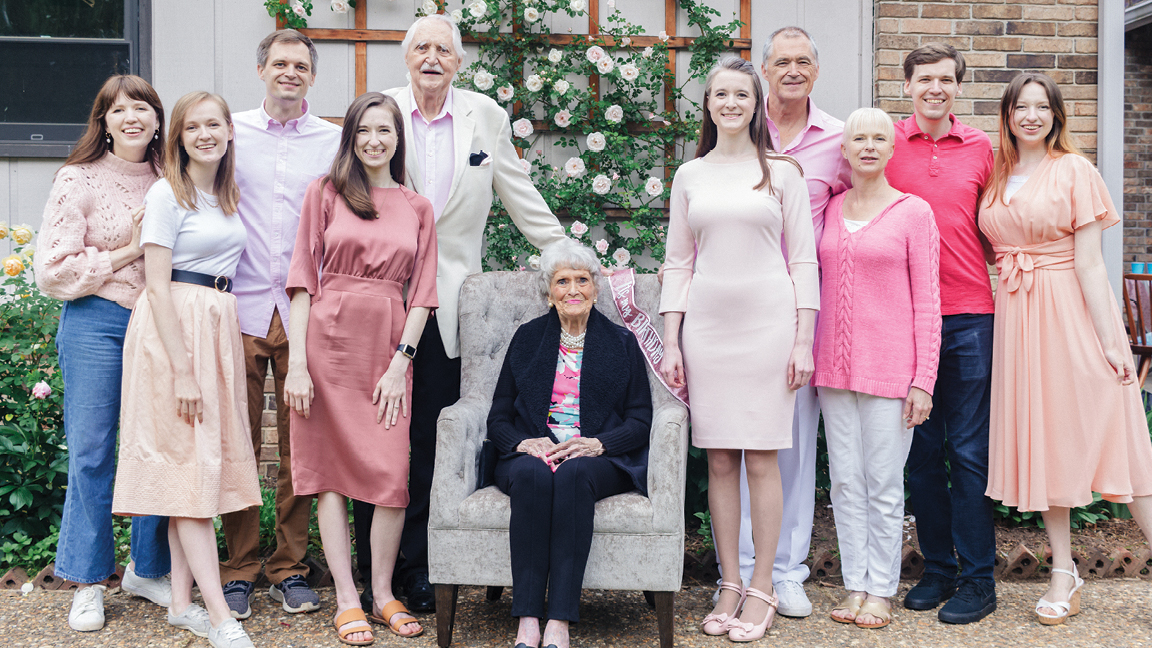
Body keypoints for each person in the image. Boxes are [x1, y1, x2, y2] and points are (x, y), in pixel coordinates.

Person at [366, 13, 566, 613]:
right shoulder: (380, 112)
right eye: (421, 47)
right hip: (376, 298)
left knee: (429, 437)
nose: (432, 57)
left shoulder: (486, 117)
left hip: (445, 306)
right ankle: (368, 563)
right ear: (407, 57)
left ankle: (420, 567)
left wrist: (564, 254)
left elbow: (516, 189)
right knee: (372, 433)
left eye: (443, 50)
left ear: (458, 60)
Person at [979, 72, 1152, 626]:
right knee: (1048, 442)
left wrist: (1114, 341)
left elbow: (1089, 262)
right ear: (1007, 116)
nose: (1031, 115)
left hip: (1069, 315)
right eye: (1020, 107)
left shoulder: (1074, 169)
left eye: (1041, 106)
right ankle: (1063, 573)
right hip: (1018, 321)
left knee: (1116, 430)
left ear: (1056, 114)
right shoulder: (998, 174)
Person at [660, 55, 819, 643]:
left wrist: (804, 338)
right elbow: (678, 262)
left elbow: (803, 260)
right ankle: (729, 580)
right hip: (707, 329)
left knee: (761, 457)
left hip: (769, 328)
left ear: (757, 105)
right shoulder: (689, 176)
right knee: (720, 458)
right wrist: (672, 337)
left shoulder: (783, 172)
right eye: (720, 94)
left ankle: (764, 585)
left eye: (741, 95)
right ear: (707, 103)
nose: (730, 103)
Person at [284, 92, 437, 644]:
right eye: (364, 130)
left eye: (386, 131)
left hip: (387, 348)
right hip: (326, 345)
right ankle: (347, 597)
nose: (375, 140)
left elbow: (422, 294)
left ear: (399, 141)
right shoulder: (324, 193)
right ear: (350, 136)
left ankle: (383, 592)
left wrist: (402, 363)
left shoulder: (417, 207)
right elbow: (303, 281)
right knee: (329, 474)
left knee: (391, 476)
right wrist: (297, 365)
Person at [111, 91, 261, 648]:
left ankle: (180, 603)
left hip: (216, 325)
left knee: (191, 470)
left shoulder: (225, 195)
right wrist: (182, 370)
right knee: (191, 468)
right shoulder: (166, 194)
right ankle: (220, 614)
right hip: (175, 331)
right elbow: (155, 282)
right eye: (192, 125)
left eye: (214, 124)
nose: (204, 133)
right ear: (178, 136)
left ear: (228, 132)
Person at [35, 74, 172, 633]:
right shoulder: (79, 179)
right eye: (119, 110)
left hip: (161, 323)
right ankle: (88, 581)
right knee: (92, 453)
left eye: (142, 107)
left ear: (159, 120)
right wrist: (128, 251)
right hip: (97, 322)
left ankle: (147, 568)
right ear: (105, 122)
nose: (132, 117)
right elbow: (52, 271)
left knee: (158, 449)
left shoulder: (174, 178)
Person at [220, 28, 339, 620]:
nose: (290, 72)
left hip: (304, 313)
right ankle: (238, 569)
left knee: (301, 449)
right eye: (280, 63)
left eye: (301, 65)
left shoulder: (334, 143)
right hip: (236, 307)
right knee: (238, 443)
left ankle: (290, 567)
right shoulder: (229, 132)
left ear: (312, 77)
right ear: (262, 68)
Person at [487, 238, 652, 648]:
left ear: (596, 288)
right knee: (531, 475)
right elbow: (498, 414)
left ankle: (559, 618)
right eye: (563, 281)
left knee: (575, 473)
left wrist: (598, 443)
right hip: (534, 452)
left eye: (582, 280)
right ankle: (527, 618)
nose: (573, 289)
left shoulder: (621, 342)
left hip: (594, 457)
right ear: (549, 292)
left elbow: (640, 419)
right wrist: (525, 443)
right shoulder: (526, 339)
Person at [812, 107, 941, 629]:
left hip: (891, 372)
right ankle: (855, 584)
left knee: (884, 482)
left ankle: (882, 590)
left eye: (878, 138)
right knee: (844, 482)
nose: (868, 146)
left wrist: (923, 381)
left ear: (893, 149)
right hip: (833, 371)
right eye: (857, 138)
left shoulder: (914, 212)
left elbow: (928, 303)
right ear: (843, 149)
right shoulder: (830, 207)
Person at [884, 42, 998, 624]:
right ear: (907, 85)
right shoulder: (885, 144)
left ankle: (980, 578)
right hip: (905, 322)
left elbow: (1001, 226)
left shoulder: (982, 149)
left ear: (958, 86)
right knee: (923, 453)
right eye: (925, 78)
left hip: (971, 315)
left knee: (969, 450)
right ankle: (937, 569)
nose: (936, 88)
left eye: (946, 79)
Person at [753, 26, 852, 618]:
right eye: (781, 61)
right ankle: (736, 572)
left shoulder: (838, 139)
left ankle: (785, 570)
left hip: (802, 313)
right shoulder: (737, 124)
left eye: (803, 62)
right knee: (735, 444)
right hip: (737, 312)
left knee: (791, 446)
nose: (792, 70)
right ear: (765, 68)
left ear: (816, 71)